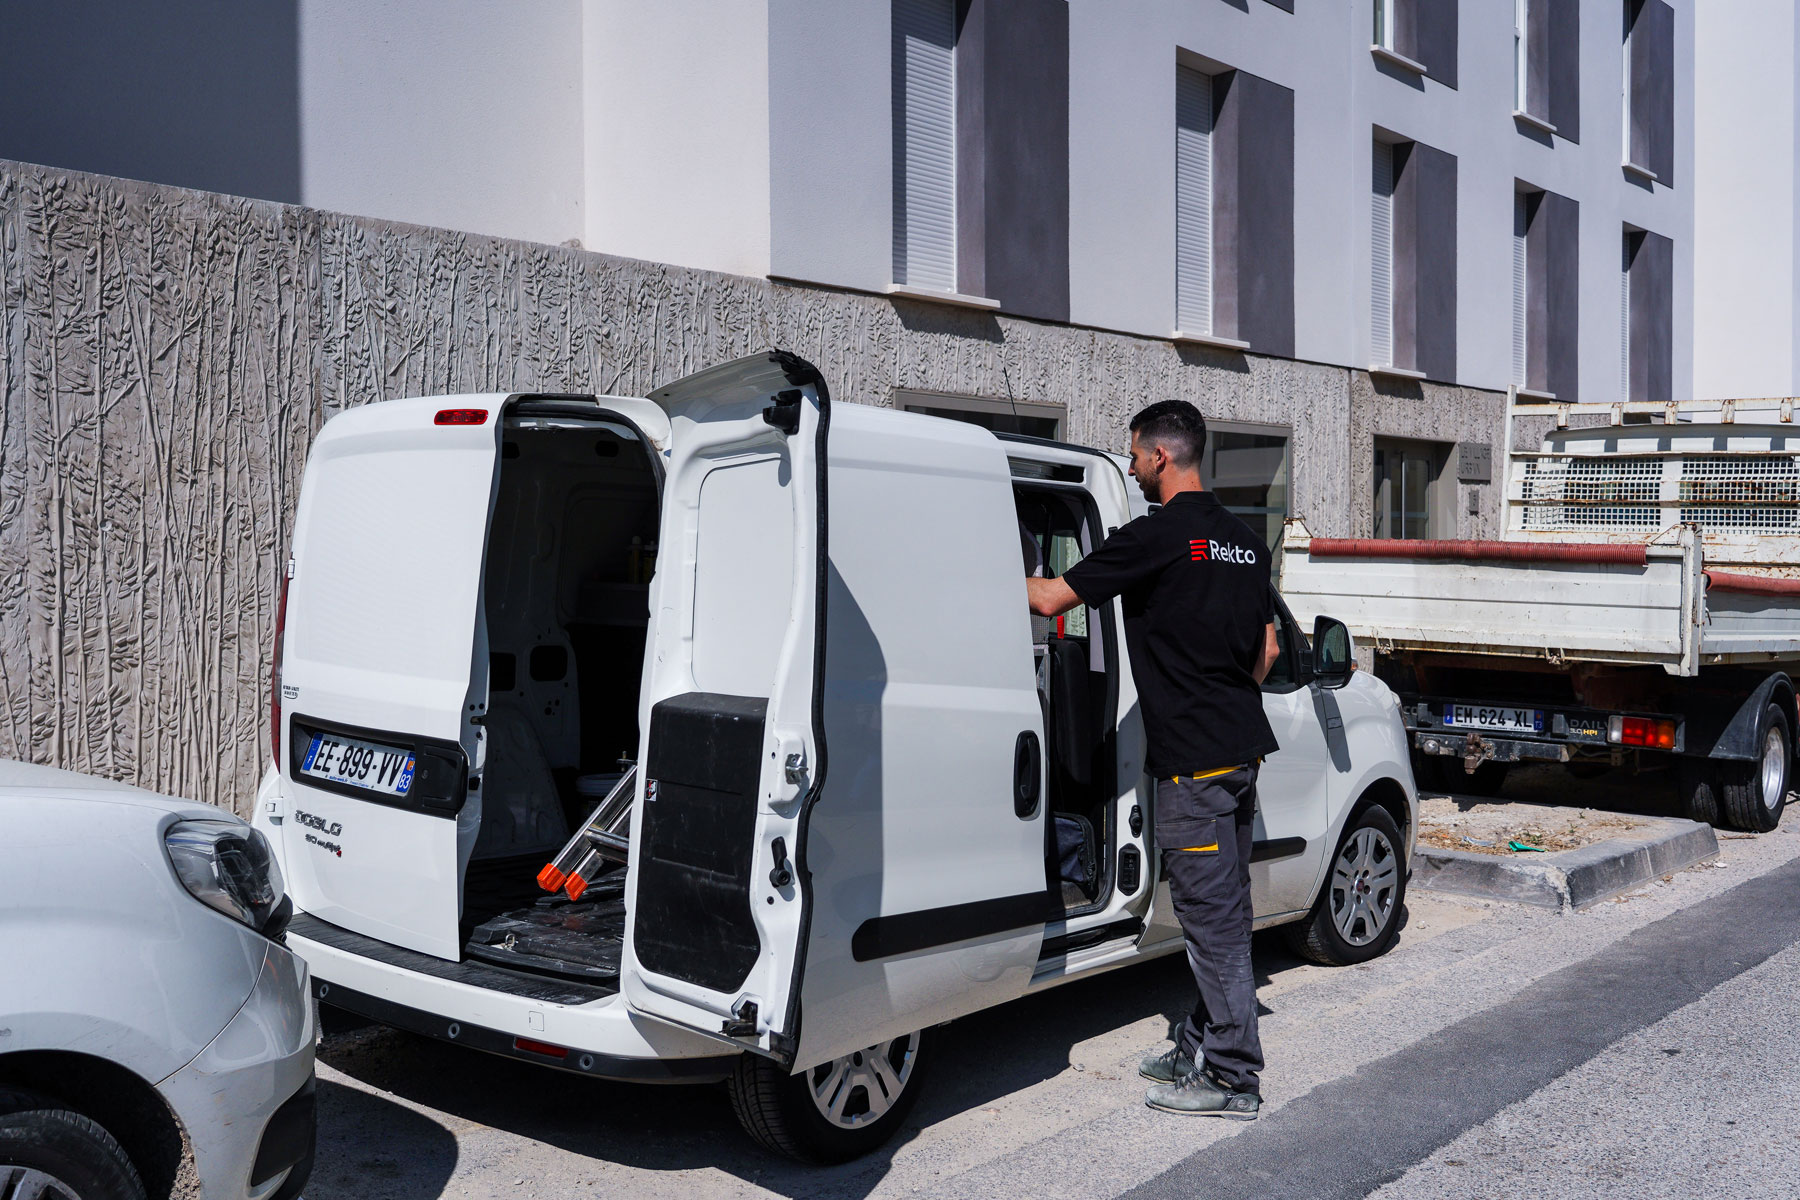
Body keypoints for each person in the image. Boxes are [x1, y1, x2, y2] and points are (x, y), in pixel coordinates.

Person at [1025, 399, 1279, 1119]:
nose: (1131, 465)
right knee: (1224, 909)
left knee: (1212, 921)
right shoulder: (1242, 540)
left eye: (1134, 454)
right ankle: (1199, 1041)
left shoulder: (1157, 536)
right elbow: (1263, 651)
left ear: (1160, 456)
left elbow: (1050, 600)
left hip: (1194, 767)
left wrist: (963, 582)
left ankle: (1232, 1077)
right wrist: (1219, 700)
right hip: (1239, 751)